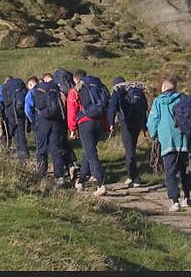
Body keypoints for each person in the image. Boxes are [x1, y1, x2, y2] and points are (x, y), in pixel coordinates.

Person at [146, 76, 191, 211]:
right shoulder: (182, 99)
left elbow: (152, 121)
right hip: (182, 140)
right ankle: (187, 197)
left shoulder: (158, 102)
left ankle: (175, 201)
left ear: (164, 88)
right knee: (184, 170)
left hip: (167, 140)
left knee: (170, 171)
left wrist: (153, 134)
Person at [67, 69, 109, 197]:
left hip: (85, 122)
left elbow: (72, 109)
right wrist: (107, 127)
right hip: (99, 121)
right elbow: (106, 106)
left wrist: (72, 128)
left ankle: (101, 183)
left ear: (75, 79)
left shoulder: (76, 89)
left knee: (91, 153)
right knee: (88, 150)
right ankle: (81, 180)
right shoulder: (99, 86)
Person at [25, 75, 68, 188]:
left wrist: (34, 121)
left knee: (41, 148)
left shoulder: (33, 92)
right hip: (56, 122)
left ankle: (41, 175)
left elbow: (27, 109)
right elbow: (63, 103)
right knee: (56, 148)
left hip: (41, 122)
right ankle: (60, 177)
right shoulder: (55, 89)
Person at [108, 76, 148, 188]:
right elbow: (145, 107)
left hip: (126, 123)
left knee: (129, 150)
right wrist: (144, 126)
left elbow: (112, 107)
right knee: (132, 148)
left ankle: (133, 177)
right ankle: (134, 176)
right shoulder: (137, 91)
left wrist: (111, 123)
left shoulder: (117, 90)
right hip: (138, 123)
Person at [0, 76, 30, 163]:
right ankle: (24, 157)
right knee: (21, 135)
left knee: (14, 135)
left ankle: (22, 157)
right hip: (20, 112)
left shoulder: (3, 88)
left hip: (10, 113)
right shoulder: (21, 86)